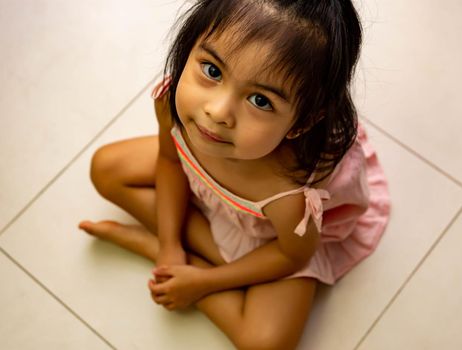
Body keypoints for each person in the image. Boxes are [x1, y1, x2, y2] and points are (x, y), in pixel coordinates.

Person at [79, 0, 390, 348]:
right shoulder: (171, 104)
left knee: (265, 345)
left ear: (301, 123)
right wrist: (170, 246)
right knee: (104, 169)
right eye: (212, 71)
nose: (217, 112)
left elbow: (293, 255)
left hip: (273, 240)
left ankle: (156, 248)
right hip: (215, 204)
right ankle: (174, 247)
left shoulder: (290, 193)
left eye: (260, 101)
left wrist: (203, 283)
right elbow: (169, 162)